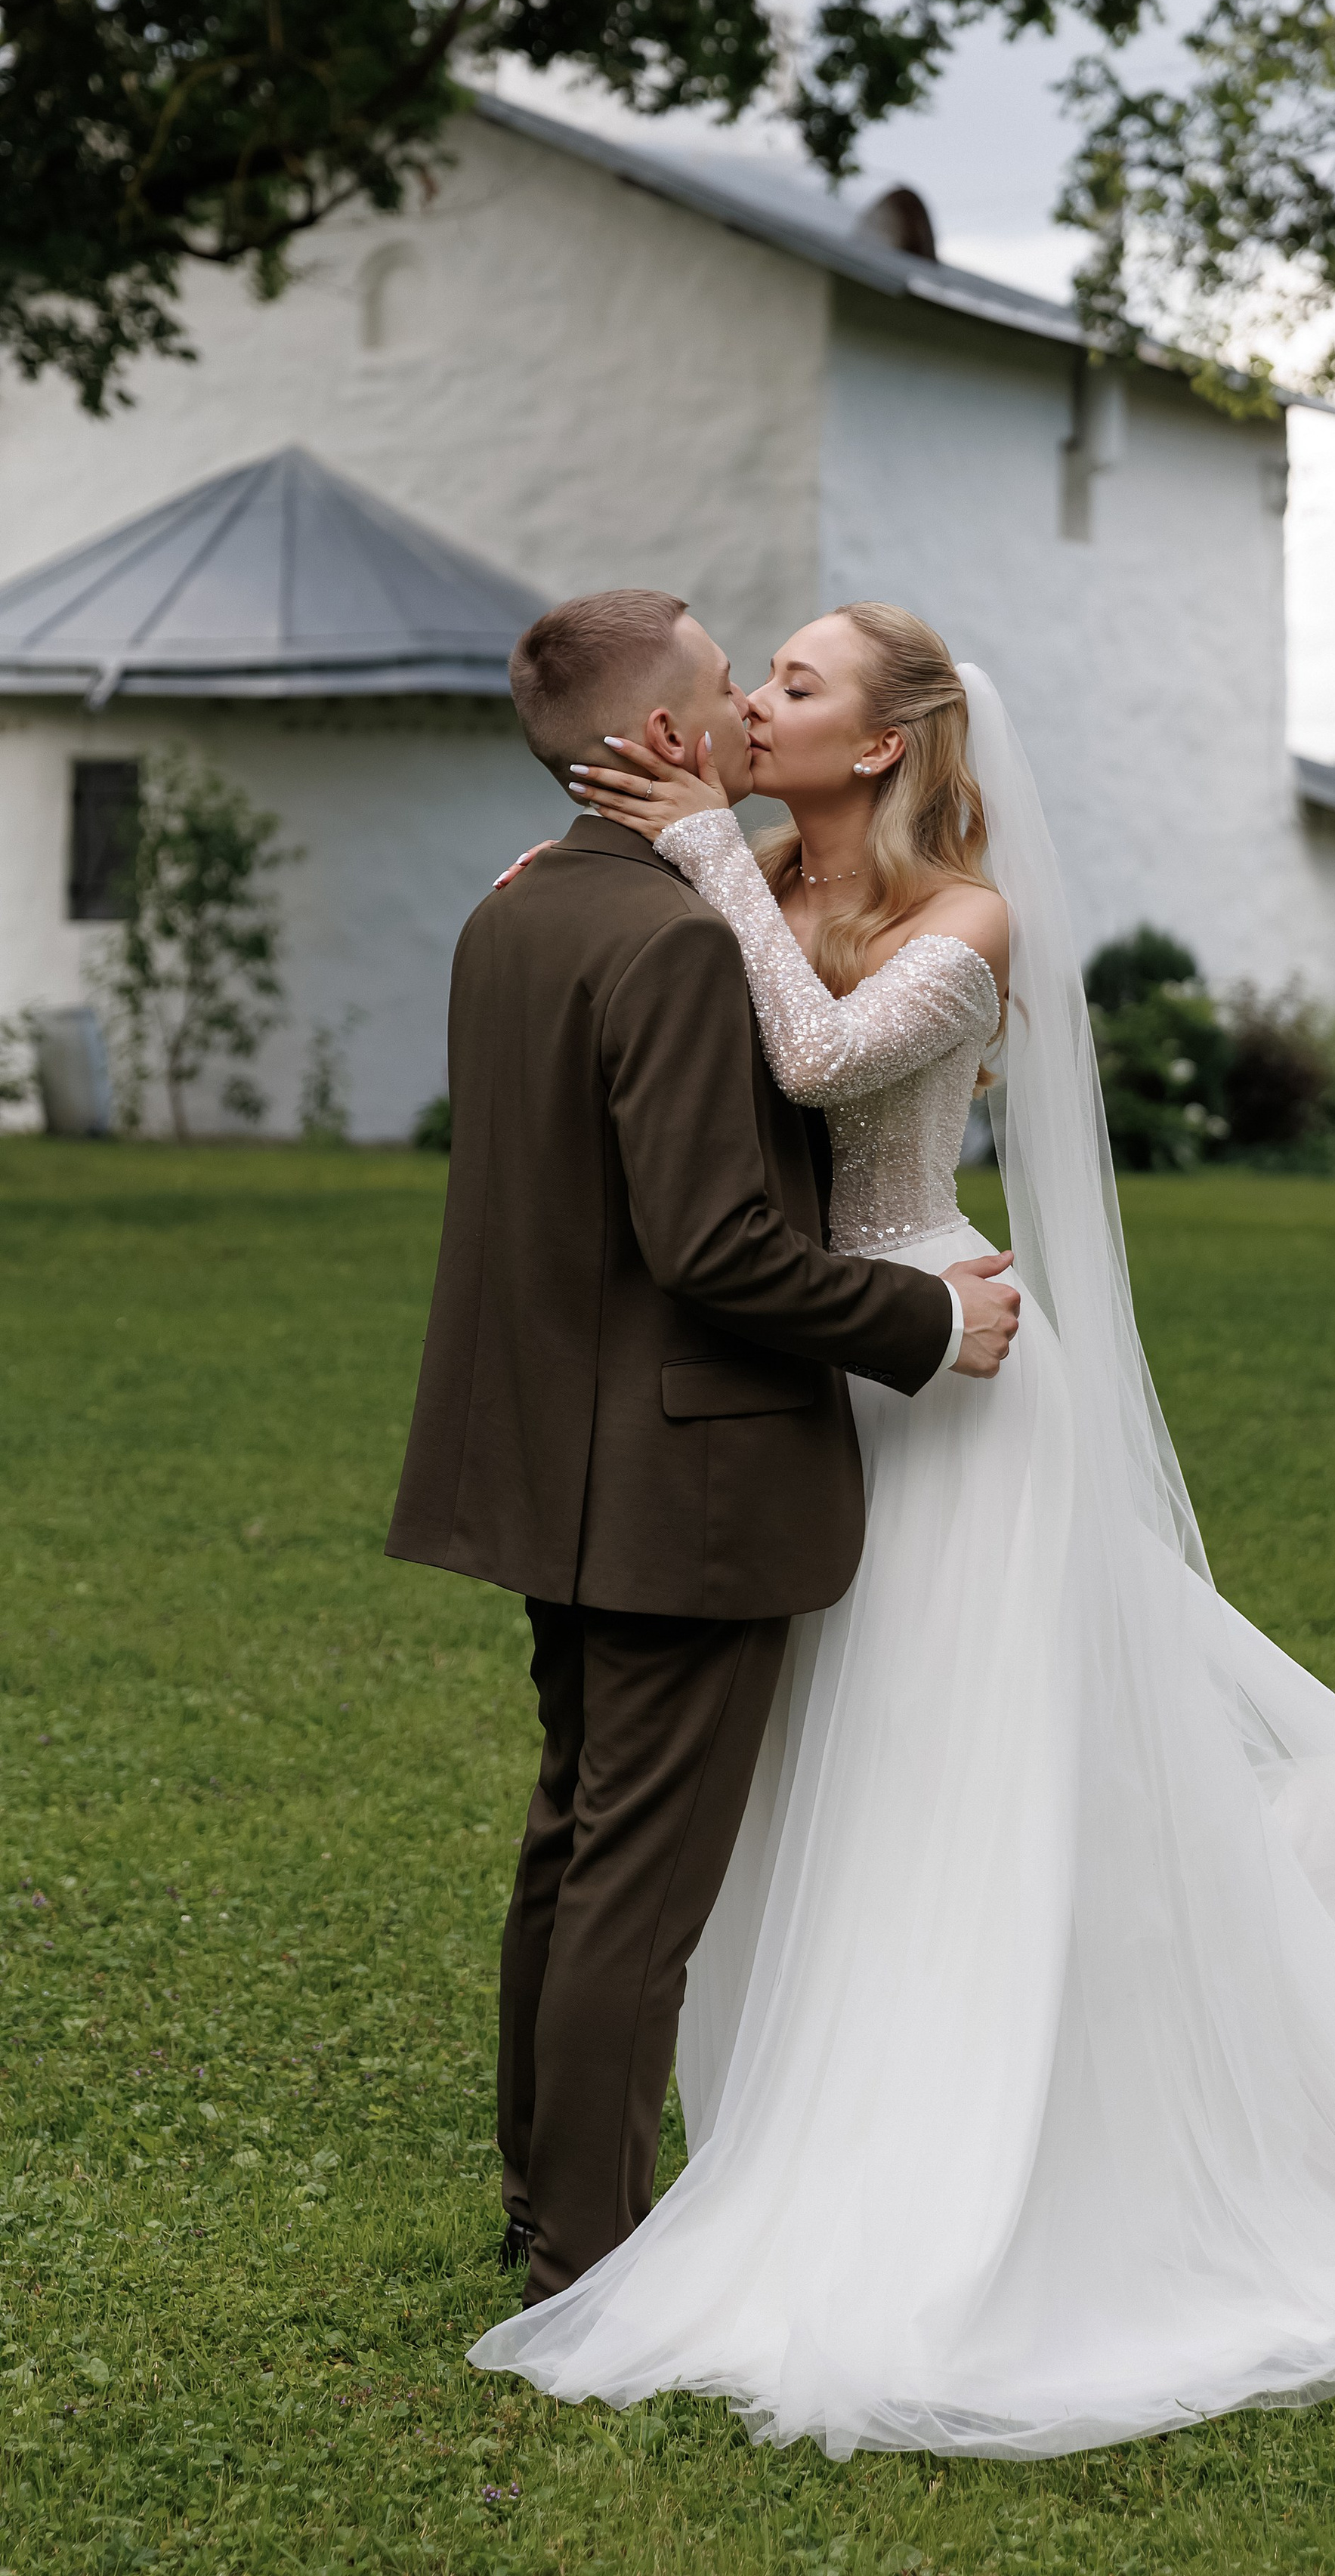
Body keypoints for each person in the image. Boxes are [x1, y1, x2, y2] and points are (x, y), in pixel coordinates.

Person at [469, 602, 1335, 2457]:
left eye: (787, 684)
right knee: (795, 1790)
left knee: (959, 1777)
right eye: (742, 683)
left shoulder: (958, 922)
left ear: (878, 746)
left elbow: (806, 1069)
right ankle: (768, 2133)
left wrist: (693, 859)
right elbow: (656, 1049)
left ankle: (992, 2142)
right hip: (795, 1394)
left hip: (947, 1376)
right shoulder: (711, 883)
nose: (746, 707)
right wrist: (606, 876)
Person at [385, 588, 1020, 2308]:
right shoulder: (673, 938)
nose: (751, 705)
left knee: (571, 1841)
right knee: (636, 1889)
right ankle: (585, 2249)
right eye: (735, 683)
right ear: (664, 739)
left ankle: (542, 2197)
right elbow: (713, 1247)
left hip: (548, 1454)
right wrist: (922, 1326)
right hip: (684, 1473)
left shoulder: (516, 910)